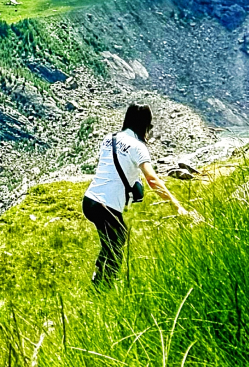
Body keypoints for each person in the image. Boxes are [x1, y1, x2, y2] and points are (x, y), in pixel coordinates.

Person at [82, 104, 199, 284]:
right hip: (107, 205)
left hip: (90, 201)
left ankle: (99, 275)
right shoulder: (138, 147)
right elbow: (152, 179)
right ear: (145, 125)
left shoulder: (109, 138)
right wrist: (177, 206)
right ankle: (102, 287)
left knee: (113, 239)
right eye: (149, 127)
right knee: (117, 243)